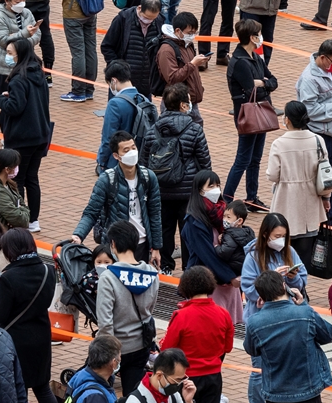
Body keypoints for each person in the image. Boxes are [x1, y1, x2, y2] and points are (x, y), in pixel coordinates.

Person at [244, 270, 332, 403]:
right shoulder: (304, 314)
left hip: (276, 398)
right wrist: (303, 305)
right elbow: (327, 334)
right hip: (308, 396)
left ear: (261, 297)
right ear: (284, 287)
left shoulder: (256, 322)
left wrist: (260, 312)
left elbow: (251, 349)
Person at [158, 266, 235, 403]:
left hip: (186, 380)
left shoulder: (182, 315)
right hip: (213, 377)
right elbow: (227, 347)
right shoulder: (223, 313)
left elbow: (167, 350)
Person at [141, 83, 212, 272]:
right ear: (182, 105)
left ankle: (164, 267)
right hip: (188, 192)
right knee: (188, 232)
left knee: (164, 230)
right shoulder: (194, 129)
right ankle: (189, 270)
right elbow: (204, 163)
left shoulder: (153, 130)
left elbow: (144, 163)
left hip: (160, 191)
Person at [72, 130, 163, 266]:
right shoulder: (107, 180)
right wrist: (78, 235)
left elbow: (155, 214)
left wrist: (156, 247)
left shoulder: (148, 177)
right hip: (115, 246)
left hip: (141, 244)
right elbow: (91, 212)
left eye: (133, 148)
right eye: (126, 150)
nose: (132, 152)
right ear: (116, 156)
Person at [0, 226, 58, 403]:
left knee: (16, 392)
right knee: (43, 389)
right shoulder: (48, 271)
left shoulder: (8, 278)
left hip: (16, 341)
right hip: (41, 336)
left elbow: (0, 315)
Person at [95, 220, 160, 395]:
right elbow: (149, 311)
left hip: (116, 348)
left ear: (113, 244)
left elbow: (105, 322)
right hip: (142, 345)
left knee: (101, 393)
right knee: (133, 396)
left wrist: (112, 353)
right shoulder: (153, 274)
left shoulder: (108, 277)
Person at [0, 38, 50, 230]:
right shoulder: (38, 74)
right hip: (41, 134)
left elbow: (15, 107)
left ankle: (22, 219)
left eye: (10, 53)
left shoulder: (19, 79)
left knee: (17, 180)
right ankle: (34, 219)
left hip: (21, 137)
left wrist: (1, 101)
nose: (8, 57)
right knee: (32, 178)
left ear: (20, 54)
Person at [295, 39, 332, 226]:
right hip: (320, 137)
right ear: (322, 58)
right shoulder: (309, 79)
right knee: (318, 181)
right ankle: (315, 220)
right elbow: (309, 110)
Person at [225, 20, 277, 206]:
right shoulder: (240, 62)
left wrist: (262, 82)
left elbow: (273, 81)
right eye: (258, 34)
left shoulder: (256, 58)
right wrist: (264, 84)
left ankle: (251, 197)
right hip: (247, 115)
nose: (260, 37)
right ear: (252, 37)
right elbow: (249, 89)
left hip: (259, 112)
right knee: (243, 159)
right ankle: (227, 197)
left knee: (255, 158)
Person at [181, 171, 244, 322]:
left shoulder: (224, 213)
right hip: (209, 283)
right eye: (210, 186)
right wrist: (230, 276)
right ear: (200, 190)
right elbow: (207, 255)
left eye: (217, 185)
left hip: (228, 283)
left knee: (227, 328)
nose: (216, 189)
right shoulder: (193, 222)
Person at [241, 211, 309, 318]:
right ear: (265, 234)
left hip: (288, 314)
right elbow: (249, 291)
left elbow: (301, 284)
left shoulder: (290, 251)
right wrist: (271, 280)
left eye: (284, 236)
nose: (281, 240)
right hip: (262, 316)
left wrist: (293, 278)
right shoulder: (253, 256)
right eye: (277, 236)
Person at [101, 0, 163, 94]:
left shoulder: (159, 22)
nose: (149, 21)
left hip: (146, 81)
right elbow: (107, 46)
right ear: (139, 8)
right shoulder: (123, 20)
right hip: (123, 81)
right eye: (146, 17)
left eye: (153, 19)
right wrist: (117, 67)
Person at [154, 14, 209, 122]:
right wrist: (193, 64)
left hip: (191, 102)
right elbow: (172, 77)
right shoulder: (166, 50)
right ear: (178, 31)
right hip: (175, 104)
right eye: (189, 33)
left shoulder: (187, 44)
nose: (192, 36)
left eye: (194, 33)